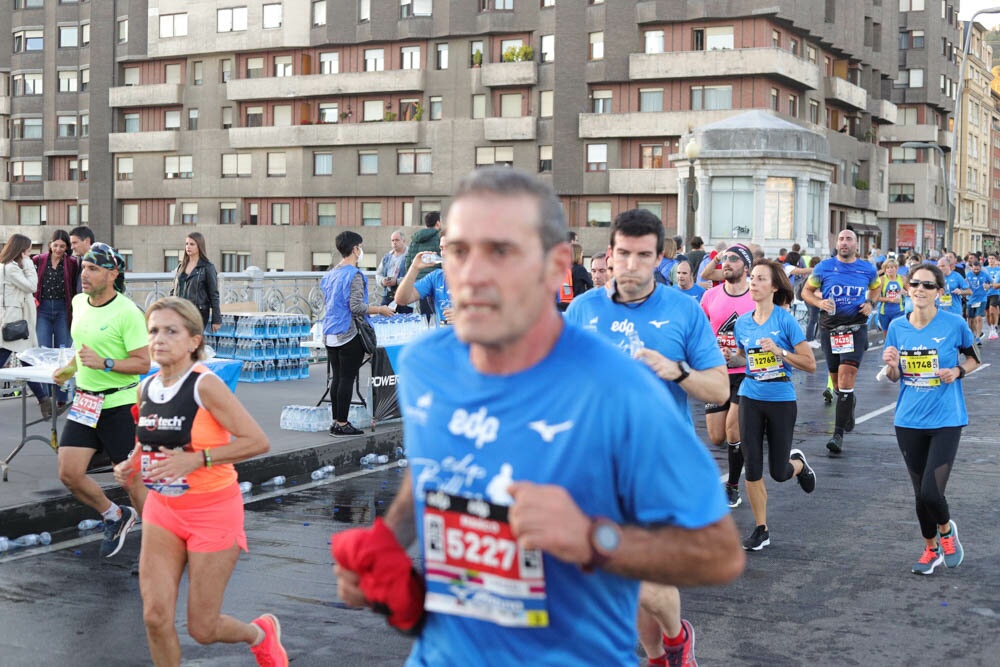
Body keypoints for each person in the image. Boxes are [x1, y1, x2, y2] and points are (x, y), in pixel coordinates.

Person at [332, 168, 743, 665]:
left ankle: (669, 645)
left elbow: (719, 552)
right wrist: (387, 545)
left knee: (651, 593)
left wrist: (594, 538)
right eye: (459, 251)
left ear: (555, 266)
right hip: (441, 654)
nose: (473, 274)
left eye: (501, 251)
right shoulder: (426, 364)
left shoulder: (623, 389)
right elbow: (433, 464)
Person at [565, 207, 728, 667]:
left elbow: (719, 387)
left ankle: (677, 640)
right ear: (610, 255)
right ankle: (660, 655)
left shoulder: (683, 310)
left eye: (643, 255)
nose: (631, 264)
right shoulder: (582, 310)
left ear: (658, 258)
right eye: (623, 254)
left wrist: (675, 371)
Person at [113, 297, 287, 666]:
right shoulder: (146, 388)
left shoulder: (205, 386)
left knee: (202, 628)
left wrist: (198, 459)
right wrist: (133, 462)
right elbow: (149, 440)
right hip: (163, 510)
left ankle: (260, 633)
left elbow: (257, 441)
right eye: (153, 331)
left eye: (170, 331)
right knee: (155, 617)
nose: (158, 339)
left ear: (193, 340)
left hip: (213, 511)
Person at [51, 243, 149, 558]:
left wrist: (105, 363)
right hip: (85, 402)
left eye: (93, 269)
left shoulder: (127, 312)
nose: (85, 275)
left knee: (131, 479)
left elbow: (143, 364)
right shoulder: (79, 303)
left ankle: (158, 545)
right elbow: (83, 352)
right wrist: (67, 371)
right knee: (69, 473)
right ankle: (114, 515)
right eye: (84, 268)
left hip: (119, 404)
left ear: (112, 273)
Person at [881, 263, 979, 575]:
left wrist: (957, 371)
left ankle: (947, 532)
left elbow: (975, 358)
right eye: (915, 284)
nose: (920, 290)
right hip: (908, 420)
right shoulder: (897, 327)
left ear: (939, 292)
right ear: (907, 289)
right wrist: (892, 365)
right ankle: (930, 548)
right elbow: (895, 376)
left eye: (928, 285)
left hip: (947, 418)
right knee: (919, 494)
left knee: (931, 492)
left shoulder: (954, 324)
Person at [732, 260, 817, 550]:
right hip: (750, 396)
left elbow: (810, 364)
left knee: (779, 472)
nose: (753, 283)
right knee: (752, 466)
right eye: (751, 278)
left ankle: (799, 465)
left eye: (760, 279)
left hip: (780, 399)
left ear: (774, 287)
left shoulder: (785, 321)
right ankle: (761, 529)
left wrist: (780, 352)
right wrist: (731, 358)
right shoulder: (742, 323)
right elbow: (747, 358)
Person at [801, 229, 879, 456]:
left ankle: (837, 435)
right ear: (836, 244)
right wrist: (818, 302)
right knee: (837, 384)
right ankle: (848, 400)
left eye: (849, 240)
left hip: (856, 329)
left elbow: (875, 289)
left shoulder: (867, 269)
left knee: (846, 378)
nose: (844, 243)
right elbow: (806, 291)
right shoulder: (823, 267)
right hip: (830, 330)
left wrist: (870, 304)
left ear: (857, 244)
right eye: (841, 240)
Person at [321, 232, 393, 437]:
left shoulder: (331, 273)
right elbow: (356, 306)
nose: (361, 251)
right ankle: (342, 423)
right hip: (348, 332)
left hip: (330, 331)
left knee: (337, 378)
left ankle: (336, 421)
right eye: (360, 247)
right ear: (355, 249)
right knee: (347, 378)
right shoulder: (355, 275)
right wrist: (380, 309)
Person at [700, 244, 756, 509]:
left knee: (733, 429)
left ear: (746, 266)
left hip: (746, 373)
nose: (727, 262)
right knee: (717, 437)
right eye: (724, 259)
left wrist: (743, 356)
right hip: (716, 373)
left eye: (733, 259)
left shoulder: (756, 298)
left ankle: (733, 486)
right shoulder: (710, 296)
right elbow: (699, 332)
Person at [1, 234, 51, 418]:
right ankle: (44, 401)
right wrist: (29, 265)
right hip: (15, 322)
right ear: (21, 250)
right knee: (23, 358)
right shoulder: (11, 269)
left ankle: (44, 401)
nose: (29, 254)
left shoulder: (7, 267)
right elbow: (31, 286)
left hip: (13, 319)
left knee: (26, 359)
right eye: (28, 251)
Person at [33, 229, 79, 410]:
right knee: (44, 350)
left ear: (67, 247)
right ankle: (45, 397)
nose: (59, 249)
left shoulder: (72, 263)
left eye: (63, 246)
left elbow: (75, 287)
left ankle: (61, 396)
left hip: (62, 309)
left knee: (62, 352)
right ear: (50, 245)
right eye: (56, 245)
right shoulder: (38, 260)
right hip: (42, 308)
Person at [394, 236, 453, 325]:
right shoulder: (436, 277)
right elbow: (401, 299)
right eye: (441, 248)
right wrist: (414, 268)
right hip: (443, 337)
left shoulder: (478, 278)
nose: (443, 253)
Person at [170, 232, 221, 333]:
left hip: (198, 313)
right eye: (186, 244)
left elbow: (214, 294)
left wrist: (216, 319)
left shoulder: (207, 267)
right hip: (179, 311)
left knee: (191, 341)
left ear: (199, 246)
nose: (188, 247)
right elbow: (173, 290)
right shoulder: (181, 266)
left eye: (192, 244)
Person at [403, 211, 442, 319]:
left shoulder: (415, 240)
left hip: (419, 284)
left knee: (425, 316)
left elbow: (408, 262)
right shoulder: (439, 240)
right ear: (438, 223)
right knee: (438, 314)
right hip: (436, 283)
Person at [376, 231, 412, 313]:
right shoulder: (387, 257)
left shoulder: (410, 256)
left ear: (403, 241)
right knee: (383, 321)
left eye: (397, 240)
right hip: (388, 295)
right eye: (392, 240)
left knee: (405, 323)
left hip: (405, 297)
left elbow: (414, 277)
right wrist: (382, 281)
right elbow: (378, 274)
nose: (394, 243)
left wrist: (397, 281)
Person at [874, 258, 906, 332]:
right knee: (887, 337)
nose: (889, 270)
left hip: (899, 311)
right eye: (887, 268)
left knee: (897, 333)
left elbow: (912, 293)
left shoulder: (902, 279)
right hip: (884, 312)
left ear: (896, 268)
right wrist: (890, 299)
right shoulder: (881, 280)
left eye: (892, 267)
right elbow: (876, 297)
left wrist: (905, 293)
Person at [965, 260, 989, 342]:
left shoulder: (984, 274)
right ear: (971, 268)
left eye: (978, 270)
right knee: (970, 319)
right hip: (971, 299)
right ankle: (973, 335)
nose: (976, 271)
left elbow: (992, 283)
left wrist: (988, 286)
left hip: (982, 298)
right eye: (974, 269)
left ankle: (978, 337)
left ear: (980, 268)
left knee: (978, 317)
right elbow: (964, 284)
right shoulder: (968, 275)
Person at [69, 225, 95, 293]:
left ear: (87, 241)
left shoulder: (99, 262)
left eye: (74, 243)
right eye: (71, 244)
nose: (72, 247)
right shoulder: (80, 260)